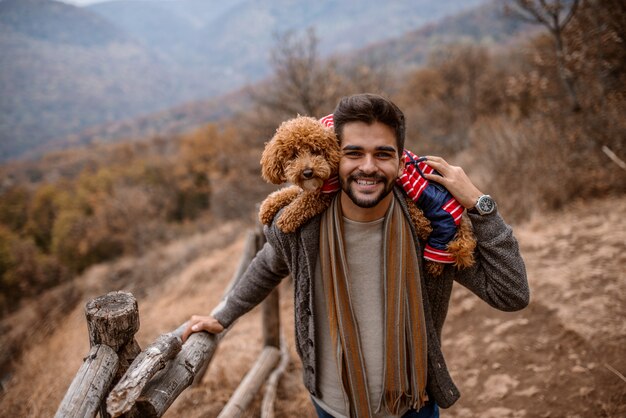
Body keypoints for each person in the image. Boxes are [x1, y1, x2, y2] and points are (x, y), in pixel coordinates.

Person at [182, 93, 529, 418]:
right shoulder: (305, 230)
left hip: (413, 403)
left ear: (400, 160)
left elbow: (511, 294)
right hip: (330, 404)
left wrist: (480, 206)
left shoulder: (431, 231)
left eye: (382, 153)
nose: (368, 167)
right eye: (353, 153)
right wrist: (224, 316)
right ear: (335, 157)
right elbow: (268, 265)